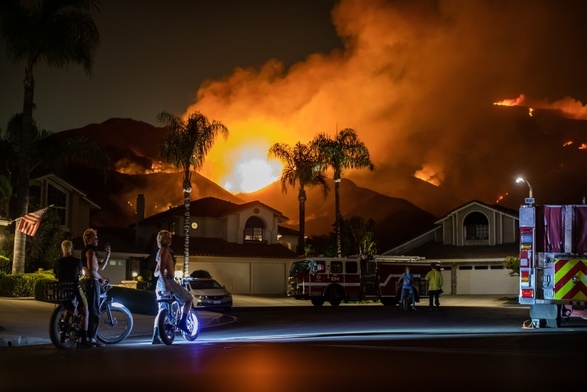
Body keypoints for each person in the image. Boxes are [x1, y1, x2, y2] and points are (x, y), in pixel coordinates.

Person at [152, 229, 193, 344]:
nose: (171, 238)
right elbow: (160, 269)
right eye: (168, 236)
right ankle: (182, 322)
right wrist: (166, 283)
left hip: (160, 282)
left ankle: (156, 336)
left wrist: (162, 275)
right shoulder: (165, 251)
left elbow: (156, 272)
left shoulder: (160, 252)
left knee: (162, 310)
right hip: (168, 281)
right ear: (163, 240)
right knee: (188, 299)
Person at [54, 240, 91, 347]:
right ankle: (83, 340)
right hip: (75, 288)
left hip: (63, 290)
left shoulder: (57, 262)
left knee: (68, 308)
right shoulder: (77, 261)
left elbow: (56, 276)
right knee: (85, 311)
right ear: (71, 249)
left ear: (62, 249)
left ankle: (63, 333)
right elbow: (80, 273)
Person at [81, 228, 111, 347]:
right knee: (95, 311)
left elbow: (100, 267)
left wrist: (108, 255)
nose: (97, 240)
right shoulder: (90, 252)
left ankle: (87, 336)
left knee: (89, 310)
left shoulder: (90, 251)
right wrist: (101, 279)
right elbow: (93, 271)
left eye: (97, 238)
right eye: (95, 238)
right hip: (92, 283)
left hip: (88, 282)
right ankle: (91, 338)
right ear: (88, 240)